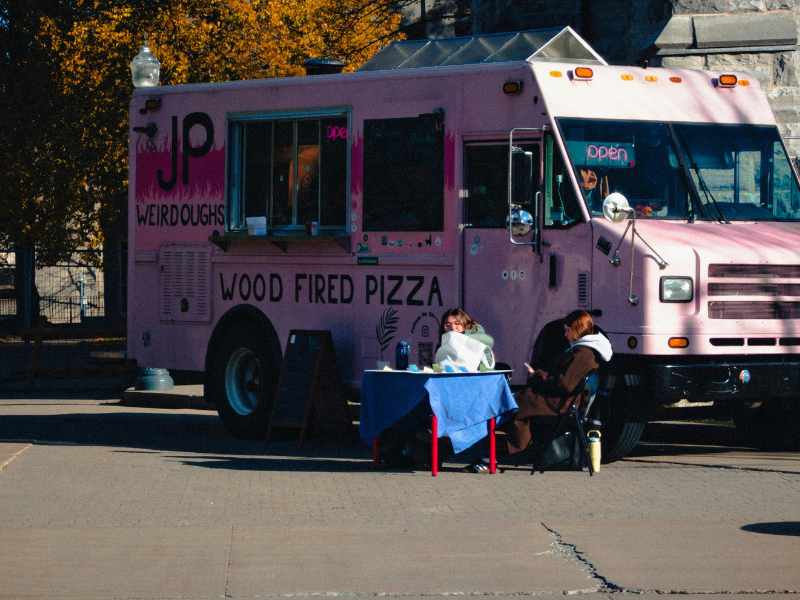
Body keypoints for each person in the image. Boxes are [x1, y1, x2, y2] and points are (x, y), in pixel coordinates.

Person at [504, 310, 613, 455]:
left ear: (578, 330)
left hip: (561, 404)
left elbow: (564, 385)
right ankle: (517, 446)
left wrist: (539, 375)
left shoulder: (582, 353)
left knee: (511, 403)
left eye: (568, 330)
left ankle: (513, 448)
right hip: (563, 401)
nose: (565, 334)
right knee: (514, 400)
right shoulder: (584, 350)